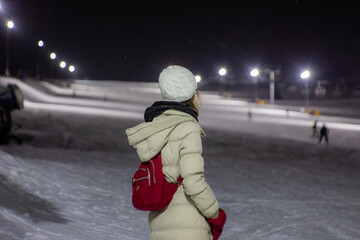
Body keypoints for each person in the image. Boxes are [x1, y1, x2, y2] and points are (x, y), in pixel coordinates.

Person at [126, 65, 226, 240]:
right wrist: (215, 215)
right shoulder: (187, 127)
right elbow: (193, 181)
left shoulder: (156, 127)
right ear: (191, 94)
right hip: (188, 225)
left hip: (160, 223)